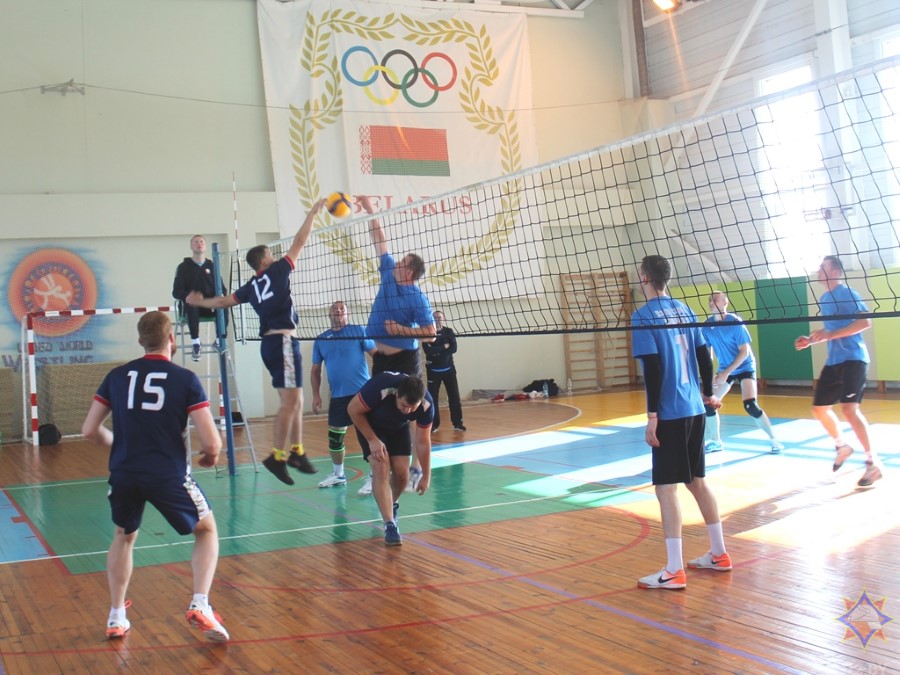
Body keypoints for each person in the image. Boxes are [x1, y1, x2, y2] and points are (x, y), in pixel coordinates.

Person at [81, 311, 229, 642]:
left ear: (140, 341)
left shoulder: (117, 376)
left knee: (123, 535)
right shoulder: (185, 379)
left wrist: (119, 445)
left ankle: (116, 617)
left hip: (124, 472)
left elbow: (89, 430)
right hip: (166, 474)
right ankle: (200, 603)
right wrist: (211, 456)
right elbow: (211, 442)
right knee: (206, 530)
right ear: (171, 340)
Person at [187, 199, 327, 486]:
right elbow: (300, 240)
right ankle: (278, 456)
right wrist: (312, 213)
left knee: (296, 398)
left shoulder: (251, 286)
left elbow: (224, 301)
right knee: (290, 401)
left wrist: (201, 302)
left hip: (271, 345)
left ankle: (297, 451)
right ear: (263, 261)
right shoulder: (277, 271)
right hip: (283, 342)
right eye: (270, 254)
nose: (274, 257)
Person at [631, 255, 731, 590]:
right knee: (697, 482)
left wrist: (652, 416)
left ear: (645, 278)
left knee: (665, 489)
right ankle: (719, 554)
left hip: (671, 412)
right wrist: (707, 393)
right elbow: (704, 355)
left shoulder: (643, 316)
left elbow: (653, 368)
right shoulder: (685, 310)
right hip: (694, 408)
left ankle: (674, 570)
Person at [356, 195, 436, 496]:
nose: (396, 263)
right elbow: (380, 239)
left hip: (405, 359)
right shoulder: (389, 272)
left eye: (402, 263)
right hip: (381, 358)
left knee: (411, 408)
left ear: (409, 272)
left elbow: (430, 333)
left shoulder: (418, 298)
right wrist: (369, 208)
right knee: (377, 409)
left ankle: (417, 467)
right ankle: (377, 467)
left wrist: (401, 329)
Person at [795, 255, 882, 487]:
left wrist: (831, 334)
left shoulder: (848, 294)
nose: (818, 270)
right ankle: (842, 446)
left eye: (823, 267)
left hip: (854, 359)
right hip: (834, 361)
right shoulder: (825, 298)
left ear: (835, 271)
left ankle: (873, 463)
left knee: (849, 409)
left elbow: (865, 322)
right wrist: (811, 340)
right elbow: (832, 329)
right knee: (819, 409)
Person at [347, 372, 434, 546]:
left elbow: (423, 442)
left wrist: (426, 476)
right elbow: (352, 410)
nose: (407, 411)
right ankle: (390, 525)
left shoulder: (426, 405)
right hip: (370, 426)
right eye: (404, 405)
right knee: (381, 467)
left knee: (402, 475)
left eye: (412, 408)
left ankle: (391, 505)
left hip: (398, 428)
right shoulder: (381, 387)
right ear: (397, 395)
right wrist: (372, 440)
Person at [701, 291, 783, 454]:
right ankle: (716, 442)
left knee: (750, 405)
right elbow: (707, 353)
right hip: (724, 368)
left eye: (715, 300)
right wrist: (710, 377)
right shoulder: (707, 326)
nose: (711, 302)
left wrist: (726, 373)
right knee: (709, 404)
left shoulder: (735, 322)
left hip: (744, 366)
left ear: (725, 303)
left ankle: (774, 440)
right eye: (710, 300)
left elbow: (744, 352)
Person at [310, 300, 377, 488]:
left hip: (361, 394)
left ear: (348, 314)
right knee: (335, 438)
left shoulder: (358, 331)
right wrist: (316, 395)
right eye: (335, 309)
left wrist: (380, 382)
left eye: (342, 309)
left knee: (367, 436)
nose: (338, 311)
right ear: (329, 314)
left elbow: (377, 355)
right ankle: (338, 475)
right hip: (338, 396)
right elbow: (315, 370)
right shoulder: (321, 339)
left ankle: (375, 476)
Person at [172, 235, 228, 362]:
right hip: (191, 307)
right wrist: (187, 296)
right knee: (192, 304)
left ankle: (219, 341)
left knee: (224, 304)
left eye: (202, 241)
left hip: (210, 306)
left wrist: (220, 297)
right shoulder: (183, 267)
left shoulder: (212, 266)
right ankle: (196, 343)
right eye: (196, 242)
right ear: (191, 246)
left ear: (205, 246)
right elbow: (176, 291)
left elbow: (222, 289)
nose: (199, 244)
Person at [423, 310, 465, 433]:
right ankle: (434, 425)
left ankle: (457, 423)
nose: (437, 319)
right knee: (432, 398)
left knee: (454, 396)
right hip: (433, 371)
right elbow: (428, 351)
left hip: (449, 370)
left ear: (444, 319)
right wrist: (444, 347)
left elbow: (454, 348)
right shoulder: (427, 333)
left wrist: (437, 351)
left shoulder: (449, 332)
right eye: (435, 317)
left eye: (439, 317)